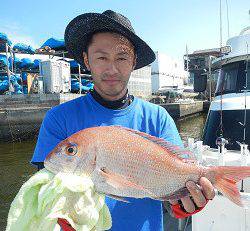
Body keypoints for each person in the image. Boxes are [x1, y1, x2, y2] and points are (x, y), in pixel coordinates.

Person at [31, 10, 215, 231]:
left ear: (134, 61)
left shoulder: (158, 118)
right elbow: (45, 190)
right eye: (101, 57)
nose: (112, 68)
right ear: (87, 60)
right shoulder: (58, 119)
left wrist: (186, 204)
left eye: (122, 57)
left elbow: (172, 200)